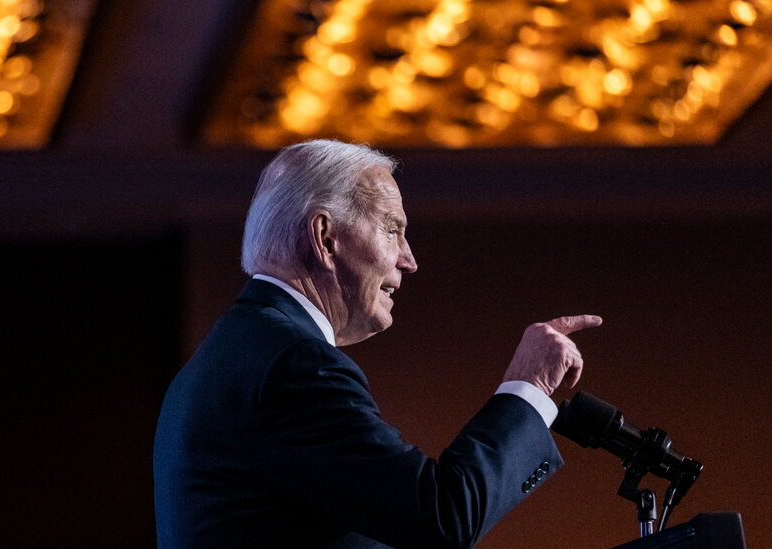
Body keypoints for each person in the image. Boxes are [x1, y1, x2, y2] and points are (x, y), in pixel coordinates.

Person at [153, 139, 601, 548]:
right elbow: (441, 517)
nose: (410, 260)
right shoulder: (294, 364)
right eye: (392, 229)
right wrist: (529, 388)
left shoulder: (228, 355)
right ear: (326, 238)